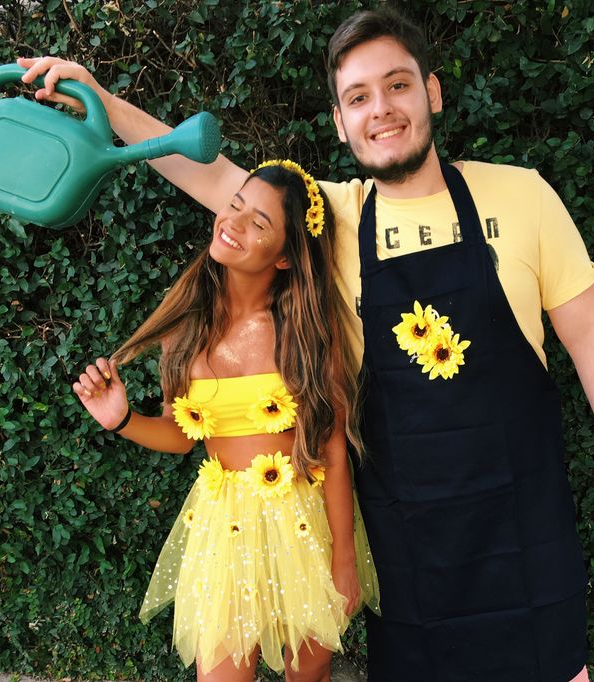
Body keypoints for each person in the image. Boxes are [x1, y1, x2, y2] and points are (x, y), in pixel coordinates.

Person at [24, 7, 594, 680]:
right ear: (339, 122)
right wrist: (101, 98)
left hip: (520, 518)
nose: (380, 109)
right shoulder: (328, 218)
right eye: (357, 97)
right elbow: (206, 176)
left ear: (431, 92)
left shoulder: (520, 196)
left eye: (397, 85)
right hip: (404, 530)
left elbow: (587, 326)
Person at [71, 160, 379, 682]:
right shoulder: (184, 331)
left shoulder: (305, 332)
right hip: (222, 526)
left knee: (310, 674)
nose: (233, 223)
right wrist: (122, 420)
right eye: (234, 205)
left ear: (284, 257)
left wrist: (344, 561)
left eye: (259, 223)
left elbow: (331, 449)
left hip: (301, 522)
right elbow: (180, 436)